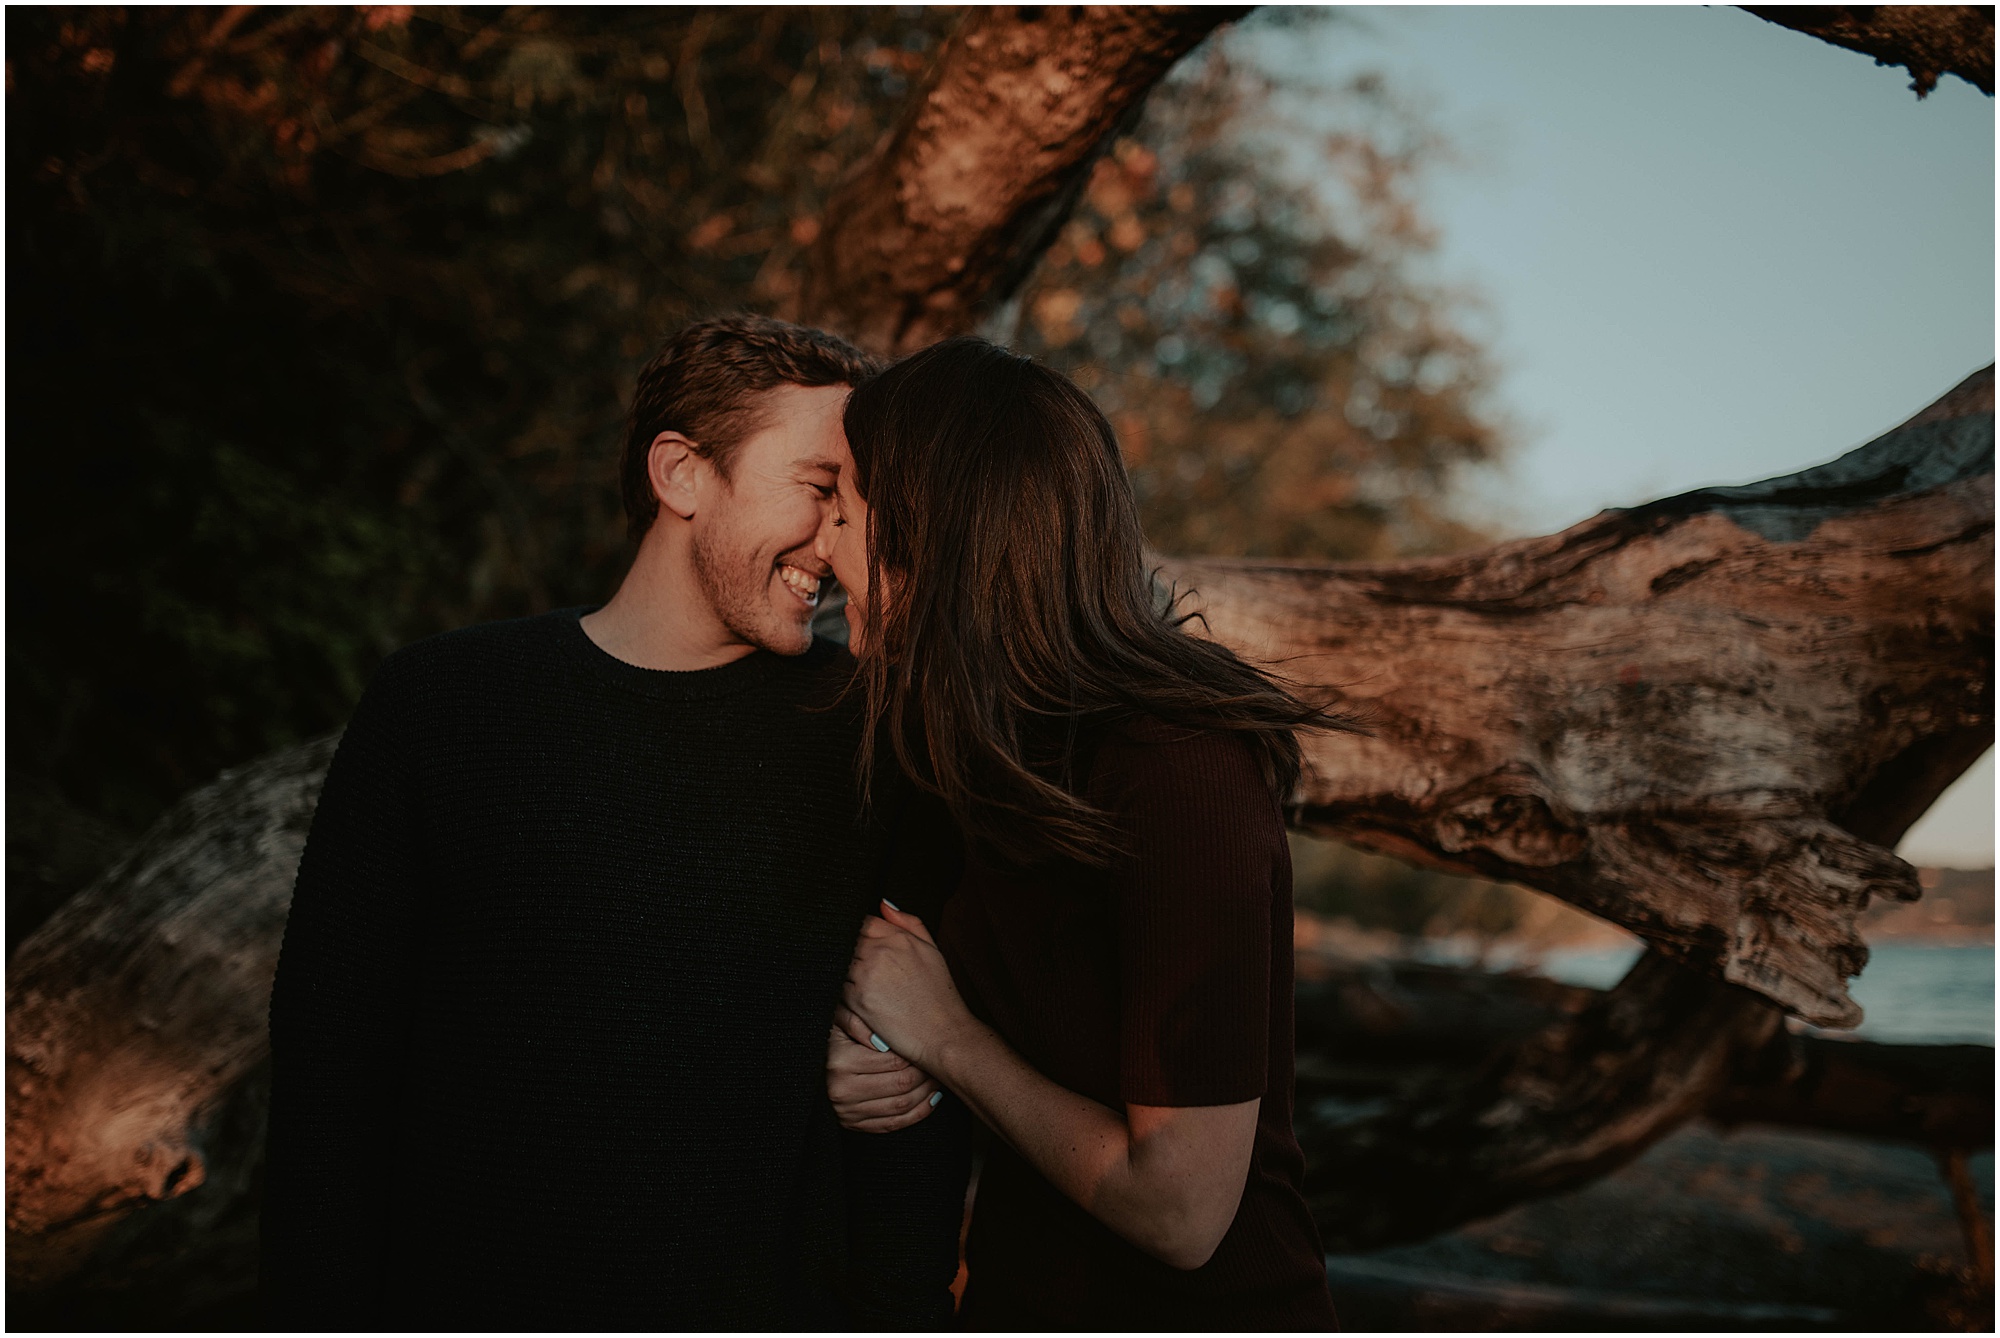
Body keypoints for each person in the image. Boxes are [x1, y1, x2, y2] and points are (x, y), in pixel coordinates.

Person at [262, 315, 968, 1330]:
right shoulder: (443, 707)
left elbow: (911, 1103)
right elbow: (333, 1066)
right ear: (681, 474)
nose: (836, 542)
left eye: (855, 509)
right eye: (818, 490)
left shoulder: (878, 739)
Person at [819, 336, 1346, 1329]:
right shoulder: (959, 752)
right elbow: (909, 984)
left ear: (926, 531)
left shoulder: (1176, 773)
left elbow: (1180, 1207)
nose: (822, 541)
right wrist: (877, 1054)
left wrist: (944, 1041)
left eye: (843, 506)